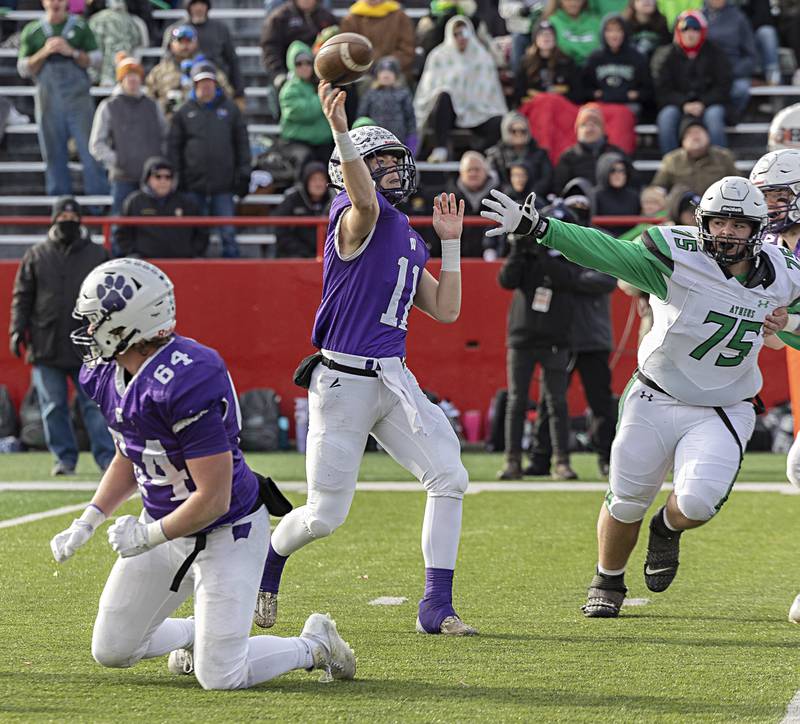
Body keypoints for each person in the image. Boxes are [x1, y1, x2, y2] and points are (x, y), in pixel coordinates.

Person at [481, 176, 800, 618]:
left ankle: (666, 528)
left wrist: (790, 324)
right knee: (627, 498)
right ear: (703, 221)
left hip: (725, 406)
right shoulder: (677, 257)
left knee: (698, 502)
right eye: (718, 221)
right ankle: (608, 578)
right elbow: (605, 251)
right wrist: (541, 229)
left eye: (738, 224)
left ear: (757, 229)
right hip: (656, 393)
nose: (726, 232)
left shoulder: (785, 274)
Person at [49, 257, 356, 689]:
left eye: (97, 319)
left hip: (227, 531)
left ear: (128, 324)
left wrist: (147, 537)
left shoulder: (187, 377)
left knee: (222, 676)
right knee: (113, 650)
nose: (87, 330)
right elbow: (131, 453)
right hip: (165, 526)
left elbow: (213, 497)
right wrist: (89, 519)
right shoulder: (105, 373)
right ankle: (201, 634)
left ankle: (314, 645)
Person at [255, 80, 477, 637]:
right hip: (343, 381)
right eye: (378, 162)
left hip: (393, 378)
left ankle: (435, 606)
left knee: (449, 476)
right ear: (350, 168)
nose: (393, 170)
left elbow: (446, 310)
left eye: (394, 161)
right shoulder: (352, 217)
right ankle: (269, 558)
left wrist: (450, 243)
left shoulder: (406, 231)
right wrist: (339, 130)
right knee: (325, 516)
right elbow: (362, 198)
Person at [9, 197, 115, 476]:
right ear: (53, 219)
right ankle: (64, 460)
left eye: (72, 216)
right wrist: (17, 329)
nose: (67, 220)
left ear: (80, 219)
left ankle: (107, 460)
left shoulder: (97, 254)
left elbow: (111, 296)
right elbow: (23, 296)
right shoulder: (36, 255)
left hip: (88, 346)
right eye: (62, 216)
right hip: (46, 343)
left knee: (94, 405)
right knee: (53, 407)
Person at [496, 200, 578, 481]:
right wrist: (519, 249)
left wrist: (541, 252)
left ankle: (562, 461)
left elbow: (568, 279)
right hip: (523, 335)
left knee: (556, 402)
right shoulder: (525, 255)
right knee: (516, 400)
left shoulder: (564, 255)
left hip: (555, 336)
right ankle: (512, 461)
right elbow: (506, 280)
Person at [17, 0, 108, 197]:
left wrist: (72, 51)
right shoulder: (33, 30)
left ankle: (98, 201)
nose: (55, 3)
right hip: (48, 98)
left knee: (89, 149)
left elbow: (97, 60)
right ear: (44, 2)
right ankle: (59, 203)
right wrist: (44, 52)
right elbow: (23, 68)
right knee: (53, 151)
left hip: (78, 98)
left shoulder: (80, 26)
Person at [167, 61, 250, 258]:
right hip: (193, 185)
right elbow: (174, 148)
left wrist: (244, 174)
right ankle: (195, 268)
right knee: (195, 232)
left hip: (224, 184)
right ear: (194, 86)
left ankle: (233, 269)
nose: (205, 86)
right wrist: (178, 178)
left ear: (215, 84)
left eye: (209, 82)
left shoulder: (230, 110)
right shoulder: (184, 112)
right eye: (201, 83)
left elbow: (242, 144)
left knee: (228, 232)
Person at [89, 53, 166, 257]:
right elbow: (96, 144)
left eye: (136, 76)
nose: (132, 80)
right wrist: (118, 161)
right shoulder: (109, 106)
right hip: (122, 178)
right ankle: (116, 260)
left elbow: (165, 135)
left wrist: (158, 164)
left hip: (151, 179)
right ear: (121, 79)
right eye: (128, 76)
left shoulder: (152, 105)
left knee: (152, 224)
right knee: (119, 223)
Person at [414, 15, 506, 163]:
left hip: (478, 111)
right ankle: (440, 149)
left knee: (500, 121)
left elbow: (491, 91)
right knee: (443, 96)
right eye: (456, 34)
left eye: (464, 33)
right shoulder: (438, 56)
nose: (461, 38)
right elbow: (428, 89)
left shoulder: (482, 56)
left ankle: (480, 155)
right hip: (449, 113)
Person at [651, 10, 732, 154]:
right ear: (678, 32)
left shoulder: (716, 53)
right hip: (677, 105)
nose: (690, 33)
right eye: (685, 29)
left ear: (703, 32)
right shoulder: (664, 56)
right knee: (666, 118)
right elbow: (662, 90)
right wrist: (684, 104)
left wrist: (703, 103)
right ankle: (671, 165)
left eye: (695, 29)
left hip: (709, 104)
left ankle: (720, 164)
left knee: (714, 117)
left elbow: (723, 86)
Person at [118, 156, 209, 259]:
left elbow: (202, 232)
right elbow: (122, 233)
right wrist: (133, 253)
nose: (163, 181)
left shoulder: (187, 203)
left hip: (182, 263)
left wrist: (193, 253)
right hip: (145, 266)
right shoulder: (134, 202)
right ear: (147, 179)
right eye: (158, 176)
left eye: (168, 177)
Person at [162, 0, 244, 106]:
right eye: (195, 4)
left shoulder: (220, 29)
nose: (199, 8)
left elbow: (232, 61)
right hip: (180, 86)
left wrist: (239, 93)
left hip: (215, 85)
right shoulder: (174, 30)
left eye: (202, 4)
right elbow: (165, 63)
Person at [146, 24, 234, 121]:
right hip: (170, 125)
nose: (185, 46)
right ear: (172, 44)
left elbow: (227, 95)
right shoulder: (159, 72)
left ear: (196, 43)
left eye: (188, 41)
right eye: (180, 41)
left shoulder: (208, 69)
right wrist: (165, 103)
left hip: (202, 124)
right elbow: (148, 102)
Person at [582, 13, 652, 117]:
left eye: (618, 30)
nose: (614, 35)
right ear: (603, 33)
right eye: (609, 30)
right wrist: (595, 94)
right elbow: (583, 88)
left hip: (628, 105)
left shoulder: (637, 57)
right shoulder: (594, 57)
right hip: (601, 105)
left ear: (625, 32)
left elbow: (648, 91)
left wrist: (634, 95)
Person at [651, 116, 739, 195]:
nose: (695, 136)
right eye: (690, 133)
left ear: (708, 136)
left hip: (716, 208)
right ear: (683, 141)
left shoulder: (724, 157)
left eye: (699, 132)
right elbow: (658, 187)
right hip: (682, 209)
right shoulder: (671, 159)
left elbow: (738, 184)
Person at [278, 41, 333, 165]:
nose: (304, 66)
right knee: (305, 160)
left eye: (308, 62)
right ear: (292, 65)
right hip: (297, 143)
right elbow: (302, 113)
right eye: (299, 63)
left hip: (323, 143)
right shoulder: (289, 89)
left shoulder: (318, 83)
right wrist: (323, 97)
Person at [553, 104, 629, 192]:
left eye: (594, 124)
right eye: (584, 125)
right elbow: (559, 188)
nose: (589, 129)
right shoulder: (567, 157)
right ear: (577, 130)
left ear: (602, 129)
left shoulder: (617, 154)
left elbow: (631, 181)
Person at [260, 0, 336, 86]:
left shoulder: (327, 17)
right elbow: (270, 49)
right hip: (288, 81)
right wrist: (279, 75)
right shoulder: (279, 18)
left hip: (320, 81)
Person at [339, 0, 416, 82]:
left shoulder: (400, 16)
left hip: (394, 73)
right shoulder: (351, 19)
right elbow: (346, 51)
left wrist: (389, 65)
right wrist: (366, 65)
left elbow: (407, 49)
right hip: (362, 74)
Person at [703, 0, 757, 117]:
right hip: (704, 74)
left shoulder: (739, 18)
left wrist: (731, 73)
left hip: (732, 71)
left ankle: (731, 117)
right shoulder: (698, 18)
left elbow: (750, 56)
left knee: (740, 89)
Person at [272, 160, 335, 258]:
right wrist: (304, 253)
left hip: (327, 255)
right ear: (306, 181)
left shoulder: (334, 200)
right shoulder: (292, 200)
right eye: (314, 180)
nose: (318, 184)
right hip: (295, 255)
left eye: (322, 180)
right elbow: (281, 231)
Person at [357, 56, 417, 156]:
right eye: (382, 72)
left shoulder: (403, 94)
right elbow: (362, 117)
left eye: (390, 72)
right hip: (375, 142)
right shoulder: (370, 94)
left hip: (398, 141)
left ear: (396, 75)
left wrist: (412, 139)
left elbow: (410, 118)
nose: (386, 75)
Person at [485, 111, 553, 196]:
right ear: (505, 131)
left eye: (522, 131)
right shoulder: (495, 155)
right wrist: (509, 194)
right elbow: (492, 180)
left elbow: (546, 179)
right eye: (513, 131)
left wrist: (531, 195)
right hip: (503, 199)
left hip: (535, 200)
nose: (518, 134)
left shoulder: (540, 154)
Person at [87, 0, 143, 86]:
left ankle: (116, 75)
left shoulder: (133, 21)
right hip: (97, 68)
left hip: (125, 62)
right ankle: (102, 76)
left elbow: (142, 43)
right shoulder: (97, 20)